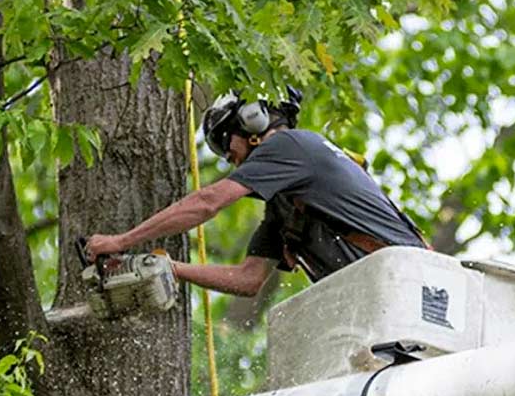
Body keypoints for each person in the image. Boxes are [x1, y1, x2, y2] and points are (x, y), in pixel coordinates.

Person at [85, 87, 428, 296]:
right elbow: (248, 280)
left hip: (411, 281)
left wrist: (121, 241)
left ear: (252, 121)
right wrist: (168, 267)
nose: (229, 158)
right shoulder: (287, 209)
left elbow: (207, 202)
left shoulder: (292, 145)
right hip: (381, 291)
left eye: (225, 142)